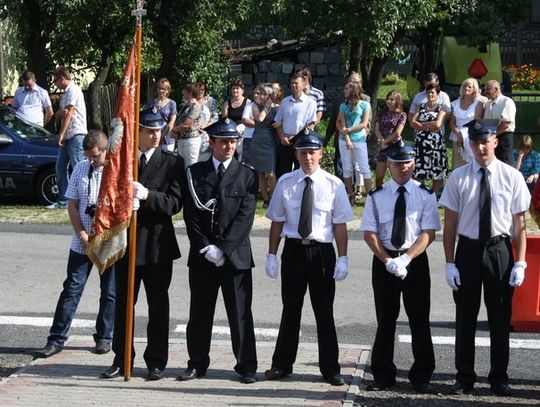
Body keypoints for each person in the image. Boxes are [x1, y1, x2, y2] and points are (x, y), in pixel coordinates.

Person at [439, 121, 530, 397]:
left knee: (500, 316)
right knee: (465, 316)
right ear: (470, 144)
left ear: (494, 142)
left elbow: (519, 225)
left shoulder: (510, 177)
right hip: (467, 250)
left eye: (485, 141)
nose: (480, 147)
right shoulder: (459, 177)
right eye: (475, 142)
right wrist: (450, 262)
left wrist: (521, 261)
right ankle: (464, 376)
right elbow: (450, 225)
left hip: (498, 250)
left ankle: (499, 377)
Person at [264, 132, 354, 386]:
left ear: (321, 154)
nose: (307, 157)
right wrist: (272, 254)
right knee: (290, 309)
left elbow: (340, 225)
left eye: (312, 152)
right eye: (302, 152)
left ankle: (330, 368)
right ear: (296, 155)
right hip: (293, 251)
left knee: (324, 311)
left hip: (321, 252)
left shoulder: (334, 184)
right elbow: (277, 222)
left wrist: (343, 258)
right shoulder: (285, 182)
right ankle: (281, 364)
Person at [101, 108, 184, 381]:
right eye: (149, 131)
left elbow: (174, 203)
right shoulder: (123, 161)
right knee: (124, 305)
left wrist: (148, 196)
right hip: (127, 244)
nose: (155, 136)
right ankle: (122, 358)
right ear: (137, 132)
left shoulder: (172, 162)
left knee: (158, 307)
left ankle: (156, 361)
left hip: (157, 246)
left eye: (159, 130)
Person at [178, 119, 258, 384]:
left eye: (232, 141)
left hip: (235, 256)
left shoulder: (246, 174)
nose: (228, 146)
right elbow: (191, 216)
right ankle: (197, 362)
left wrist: (222, 248)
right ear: (211, 143)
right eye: (223, 141)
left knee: (240, 314)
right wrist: (205, 247)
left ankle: (246, 365)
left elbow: (245, 218)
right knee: (200, 313)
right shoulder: (195, 173)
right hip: (203, 256)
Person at [360, 145, 439, 393]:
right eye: (397, 163)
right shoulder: (376, 195)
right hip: (385, 262)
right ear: (389, 165)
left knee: (419, 319)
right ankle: (383, 373)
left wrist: (406, 259)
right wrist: (388, 261)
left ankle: (422, 374)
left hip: (414, 262)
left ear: (414, 163)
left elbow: (428, 233)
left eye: (407, 163)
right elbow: (369, 234)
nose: (403, 168)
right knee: (385, 319)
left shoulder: (425, 195)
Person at [36, 130, 115, 358]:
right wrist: (80, 232)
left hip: (108, 242)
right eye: (89, 157)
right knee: (72, 288)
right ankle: (56, 338)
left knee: (109, 292)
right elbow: (72, 205)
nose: (92, 161)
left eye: (96, 157)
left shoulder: (115, 170)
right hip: (82, 241)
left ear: (105, 150)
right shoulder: (81, 167)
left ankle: (104, 337)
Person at [47, 67, 88, 209]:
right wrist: (60, 113)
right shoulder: (65, 93)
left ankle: (84, 199)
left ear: (62, 78)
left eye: (55, 80)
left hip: (76, 134)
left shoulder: (73, 90)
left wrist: (61, 134)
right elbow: (58, 114)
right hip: (68, 136)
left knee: (79, 167)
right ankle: (64, 200)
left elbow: (68, 115)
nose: (55, 83)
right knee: (60, 167)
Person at [324, 72, 370, 180]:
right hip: (342, 138)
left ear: (361, 84)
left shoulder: (365, 100)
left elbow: (367, 122)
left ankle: (354, 191)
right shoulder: (340, 99)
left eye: (356, 82)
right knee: (341, 168)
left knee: (357, 168)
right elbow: (334, 121)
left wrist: (364, 135)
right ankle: (342, 192)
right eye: (351, 81)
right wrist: (326, 139)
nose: (353, 84)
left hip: (358, 139)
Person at [273, 73, 317, 178]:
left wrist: (296, 137)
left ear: (303, 85)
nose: (294, 86)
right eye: (292, 83)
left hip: (300, 142)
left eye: (296, 83)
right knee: (283, 172)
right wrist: (282, 137)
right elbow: (277, 122)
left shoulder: (310, 102)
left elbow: (311, 124)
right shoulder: (285, 101)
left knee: (300, 172)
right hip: (285, 142)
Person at [336, 81, 372, 203]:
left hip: (359, 140)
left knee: (364, 168)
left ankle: (371, 196)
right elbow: (339, 123)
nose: (344, 91)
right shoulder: (343, 106)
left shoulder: (365, 105)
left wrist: (350, 130)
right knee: (347, 168)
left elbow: (364, 123)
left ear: (353, 91)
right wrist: (347, 138)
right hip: (344, 140)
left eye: (347, 89)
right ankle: (351, 195)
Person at [410, 83, 447, 195]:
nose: (430, 94)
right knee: (419, 171)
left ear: (437, 94)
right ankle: (419, 195)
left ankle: (433, 197)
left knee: (436, 172)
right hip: (421, 145)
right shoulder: (420, 107)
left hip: (436, 146)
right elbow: (412, 122)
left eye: (433, 92)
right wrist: (427, 127)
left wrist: (420, 124)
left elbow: (438, 124)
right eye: (428, 92)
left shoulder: (442, 108)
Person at [249, 84, 279, 208]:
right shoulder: (255, 106)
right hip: (258, 140)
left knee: (271, 173)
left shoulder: (276, 108)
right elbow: (260, 118)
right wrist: (267, 106)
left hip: (270, 141)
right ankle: (266, 200)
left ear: (270, 96)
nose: (260, 96)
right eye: (260, 93)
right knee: (260, 172)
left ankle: (273, 197)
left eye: (264, 94)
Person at [374, 90, 407, 187]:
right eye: (387, 99)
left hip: (394, 147)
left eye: (391, 99)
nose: (388, 101)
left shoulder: (402, 115)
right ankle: (378, 196)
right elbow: (376, 130)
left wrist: (385, 142)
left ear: (397, 101)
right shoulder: (381, 113)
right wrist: (382, 142)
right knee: (379, 176)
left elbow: (398, 132)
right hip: (383, 147)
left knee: (396, 176)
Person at [449, 78, 484, 168]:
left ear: (474, 89)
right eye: (465, 86)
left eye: (469, 87)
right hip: (457, 137)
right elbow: (451, 123)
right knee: (457, 165)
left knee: (471, 165)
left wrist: (464, 134)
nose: (466, 88)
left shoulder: (478, 103)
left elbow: (477, 122)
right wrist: (458, 134)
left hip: (471, 137)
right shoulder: (455, 103)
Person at [483, 79, 516, 165]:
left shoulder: (507, 102)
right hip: (490, 137)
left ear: (496, 89)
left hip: (503, 137)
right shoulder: (487, 104)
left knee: (504, 164)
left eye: (488, 90)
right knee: (491, 164)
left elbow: (506, 123)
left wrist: (493, 135)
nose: (486, 92)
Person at [172, 83, 203, 168]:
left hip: (191, 141)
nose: (183, 92)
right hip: (182, 139)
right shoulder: (186, 106)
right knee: (182, 166)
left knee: (190, 167)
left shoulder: (196, 106)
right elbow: (179, 120)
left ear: (190, 93)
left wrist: (174, 130)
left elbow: (186, 124)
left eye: (184, 91)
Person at [148, 78, 177, 152]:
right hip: (153, 139)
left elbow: (172, 122)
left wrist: (162, 135)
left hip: (167, 140)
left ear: (167, 90)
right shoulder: (151, 103)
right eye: (159, 88)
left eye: (163, 89)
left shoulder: (172, 104)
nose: (161, 91)